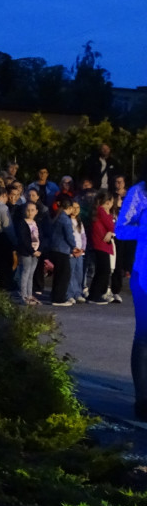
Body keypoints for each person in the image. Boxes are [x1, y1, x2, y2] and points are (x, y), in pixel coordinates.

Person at [115, 162, 147, 420]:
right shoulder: (140, 193)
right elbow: (120, 229)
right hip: (144, 274)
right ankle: (142, 399)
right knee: (145, 336)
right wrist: (145, 229)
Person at [47, 196, 82, 307]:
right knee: (64, 274)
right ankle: (59, 298)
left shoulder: (58, 216)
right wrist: (74, 246)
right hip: (62, 250)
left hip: (55, 248)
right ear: (70, 207)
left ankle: (55, 296)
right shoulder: (65, 219)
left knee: (58, 274)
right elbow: (69, 235)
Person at [88, 190, 116, 304]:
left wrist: (110, 232)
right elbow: (112, 225)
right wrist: (111, 230)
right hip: (101, 244)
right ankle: (95, 295)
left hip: (100, 244)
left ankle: (93, 294)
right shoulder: (102, 211)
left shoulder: (98, 211)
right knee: (103, 270)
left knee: (101, 270)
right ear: (108, 202)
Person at [15, 200, 42, 306]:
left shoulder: (36, 223)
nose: (30, 212)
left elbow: (41, 237)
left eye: (32, 210)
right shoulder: (22, 223)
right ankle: (24, 295)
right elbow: (24, 239)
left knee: (31, 274)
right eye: (28, 210)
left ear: (36, 211)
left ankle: (30, 294)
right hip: (27, 252)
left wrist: (40, 250)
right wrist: (32, 251)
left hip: (36, 251)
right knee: (25, 272)